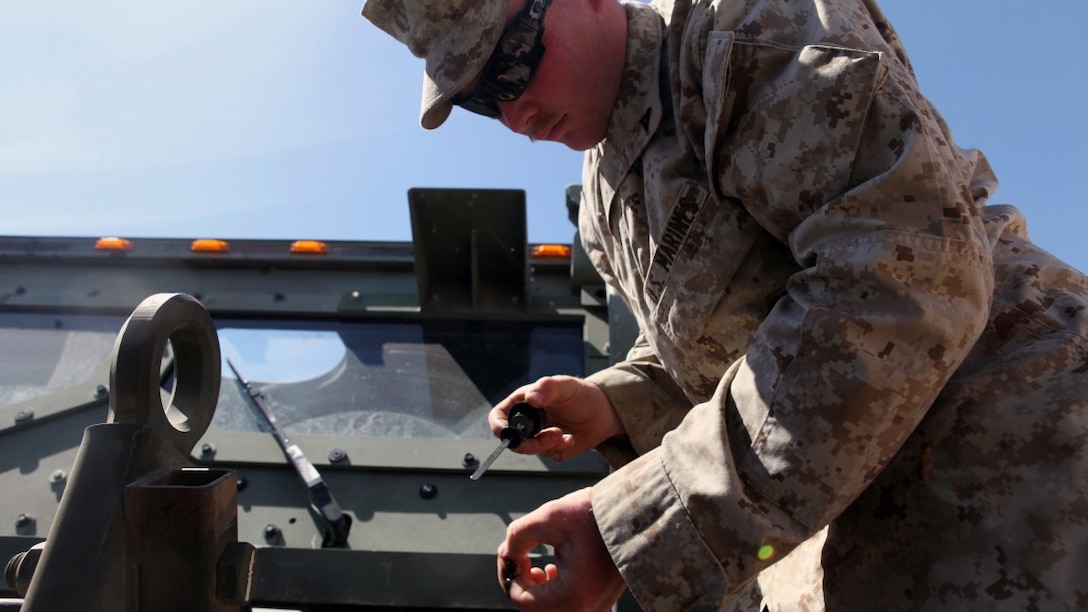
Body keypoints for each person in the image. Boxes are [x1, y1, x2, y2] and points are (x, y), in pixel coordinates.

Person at [361, 0, 1088, 609]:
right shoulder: (605, 202)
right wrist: (612, 401)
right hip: (849, 549)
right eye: (479, 100)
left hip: (1017, 485)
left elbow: (903, 272)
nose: (513, 112)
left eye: (510, 65)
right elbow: (715, 349)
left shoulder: (741, 29)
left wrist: (636, 527)